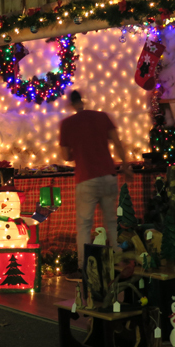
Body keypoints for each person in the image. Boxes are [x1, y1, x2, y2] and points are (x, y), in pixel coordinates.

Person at [59, 90, 132, 270]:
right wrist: (125, 165)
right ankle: (118, 261)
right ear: (82, 101)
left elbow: (66, 156)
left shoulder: (67, 124)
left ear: (71, 104)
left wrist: (78, 150)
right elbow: (117, 142)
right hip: (108, 175)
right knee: (111, 221)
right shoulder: (102, 117)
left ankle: (84, 265)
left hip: (86, 178)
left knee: (84, 225)